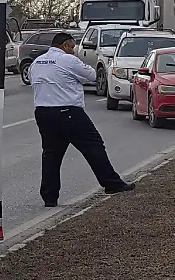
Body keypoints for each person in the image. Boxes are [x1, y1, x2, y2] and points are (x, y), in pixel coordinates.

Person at [29, 32, 135, 207]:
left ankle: (49, 197)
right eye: (72, 47)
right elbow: (92, 75)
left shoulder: (37, 62)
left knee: (51, 155)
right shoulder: (68, 60)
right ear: (64, 45)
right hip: (68, 112)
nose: (73, 50)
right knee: (94, 146)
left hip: (43, 112)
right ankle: (111, 183)